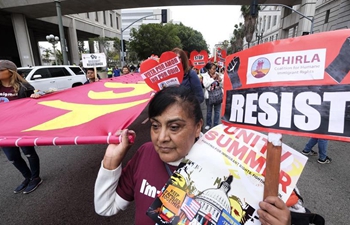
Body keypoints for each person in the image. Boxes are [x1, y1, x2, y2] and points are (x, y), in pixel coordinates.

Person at [94, 86, 291, 225]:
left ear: (198, 127)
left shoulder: (229, 165)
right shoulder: (146, 152)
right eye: (155, 126)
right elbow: (105, 207)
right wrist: (111, 160)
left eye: (174, 127)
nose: (161, 138)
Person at [0, 60, 43, 194]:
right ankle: (27, 177)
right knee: (12, 157)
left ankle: (35, 177)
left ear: (10, 71)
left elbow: (36, 104)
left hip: (21, 127)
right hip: (3, 129)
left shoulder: (23, 87)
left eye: (1, 70)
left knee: (29, 153)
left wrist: (35, 97)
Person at [202, 63, 223, 130]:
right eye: (213, 69)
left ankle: (216, 125)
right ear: (209, 69)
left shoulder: (218, 74)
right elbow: (205, 85)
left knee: (217, 111)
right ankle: (208, 124)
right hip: (209, 96)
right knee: (209, 111)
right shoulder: (205, 76)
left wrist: (221, 80)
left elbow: (222, 85)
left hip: (218, 95)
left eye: (215, 68)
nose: (214, 70)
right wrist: (213, 79)